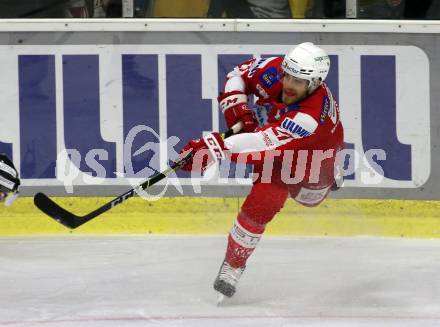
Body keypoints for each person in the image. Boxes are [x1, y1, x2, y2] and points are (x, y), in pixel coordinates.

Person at [177, 42, 344, 300]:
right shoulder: (274, 70)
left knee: (309, 199)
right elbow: (238, 75)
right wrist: (238, 111)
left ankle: (331, 174)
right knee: (262, 204)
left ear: (315, 83)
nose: (288, 83)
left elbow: (259, 142)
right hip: (275, 151)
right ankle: (233, 266)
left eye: (297, 81)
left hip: (312, 156)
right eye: (287, 75)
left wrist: (214, 147)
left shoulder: (309, 118)